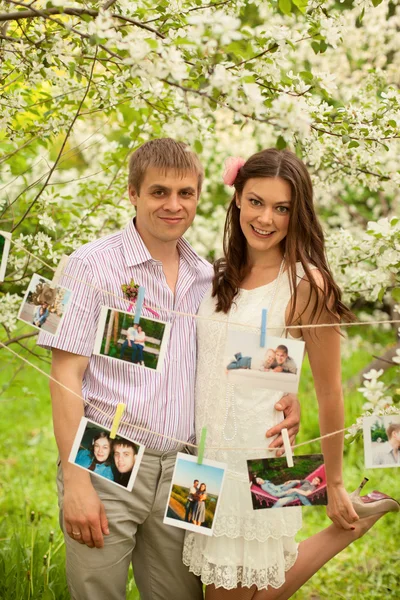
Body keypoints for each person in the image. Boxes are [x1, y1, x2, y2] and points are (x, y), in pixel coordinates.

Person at [37, 139, 301, 600]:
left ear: (200, 197)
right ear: (133, 194)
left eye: (186, 193)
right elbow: (65, 377)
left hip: (188, 468)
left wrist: (285, 395)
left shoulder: (210, 278)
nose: (173, 205)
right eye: (159, 192)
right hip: (104, 457)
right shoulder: (88, 266)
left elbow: (232, 358)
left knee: (182, 595)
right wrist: (76, 481)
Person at [182, 149, 399, 599]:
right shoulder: (219, 274)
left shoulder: (305, 283)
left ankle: (346, 526)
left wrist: (335, 482)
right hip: (204, 454)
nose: (266, 218)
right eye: (257, 202)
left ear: (297, 214)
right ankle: (355, 522)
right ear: (237, 198)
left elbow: (329, 390)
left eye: (282, 208)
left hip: (254, 454)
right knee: (222, 588)